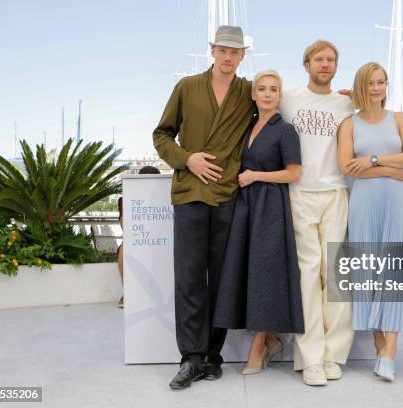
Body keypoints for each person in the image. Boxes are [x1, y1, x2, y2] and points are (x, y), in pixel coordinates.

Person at [152, 25, 255, 390]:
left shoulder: (249, 92)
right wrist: (186, 158)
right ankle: (190, 358)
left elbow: (278, 107)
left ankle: (213, 354)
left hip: (228, 195)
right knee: (190, 278)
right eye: (222, 50)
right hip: (190, 193)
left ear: (243, 55)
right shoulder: (186, 87)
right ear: (212, 51)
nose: (228, 57)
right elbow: (161, 134)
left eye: (235, 52)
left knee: (222, 280)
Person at [337, 61, 403, 382]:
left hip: (399, 203)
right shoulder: (349, 124)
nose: (377, 88)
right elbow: (348, 167)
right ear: (361, 87)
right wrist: (393, 169)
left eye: (382, 82)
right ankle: (380, 348)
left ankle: (389, 351)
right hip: (364, 204)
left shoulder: (400, 119)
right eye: (371, 83)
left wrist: (375, 160)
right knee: (369, 275)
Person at [213, 70, 304, 375]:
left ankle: (259, 345)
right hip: (246, 207)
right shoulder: (247, 126)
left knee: (265, 276)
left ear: (280, 96)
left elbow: (294, 173)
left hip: (270, 207)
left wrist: (256, 176)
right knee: (248, 274)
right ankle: (269, 339)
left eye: (273, 89)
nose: (267, 94)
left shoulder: (285, 130)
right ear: (253, 95)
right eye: (261, 89)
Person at [278, 40, 355, 386]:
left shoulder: (346, 102)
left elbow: (377, 113)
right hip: (299, 193)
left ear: (336, 67)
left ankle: (333, 355)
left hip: (336, 192)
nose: (325, 64)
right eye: (319, 59)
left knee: (336, 274)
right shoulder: (288, 99)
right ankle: (310, 359)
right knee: (307, 277)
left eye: (331, 60)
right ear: (306, 64)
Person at [116, 165, 161, 308]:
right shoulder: (125, 199)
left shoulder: (166, 197)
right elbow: (125, 228)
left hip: (161, 239)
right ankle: (127, 292)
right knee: (123, 252)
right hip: (136, 239)